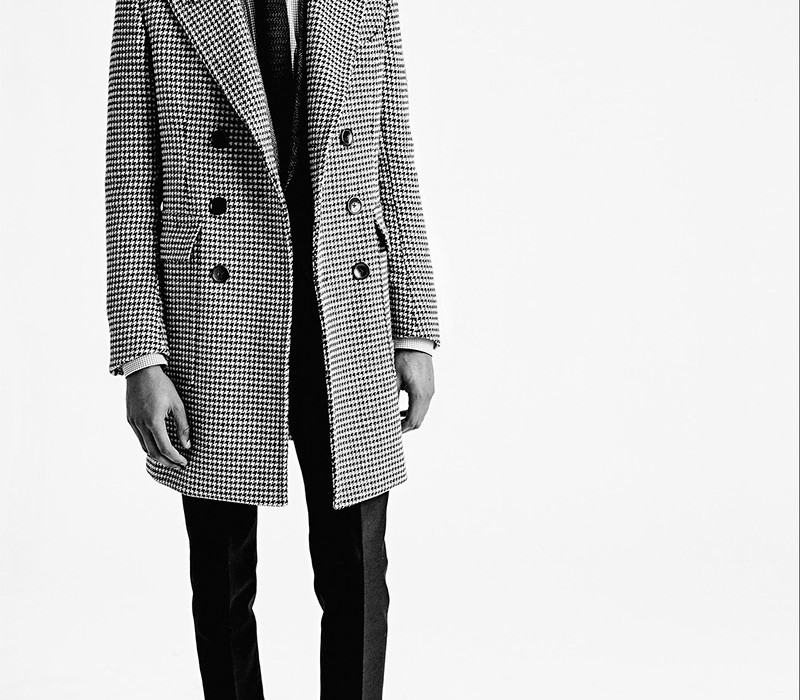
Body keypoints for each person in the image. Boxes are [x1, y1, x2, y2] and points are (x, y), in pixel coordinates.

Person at [104, 0, 440, 697]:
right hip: (215, 309)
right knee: (221, 576)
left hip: (345, 307)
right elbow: (131, 178)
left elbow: (394, 160)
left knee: (358, 570)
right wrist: (141, 356)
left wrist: (413, 328)